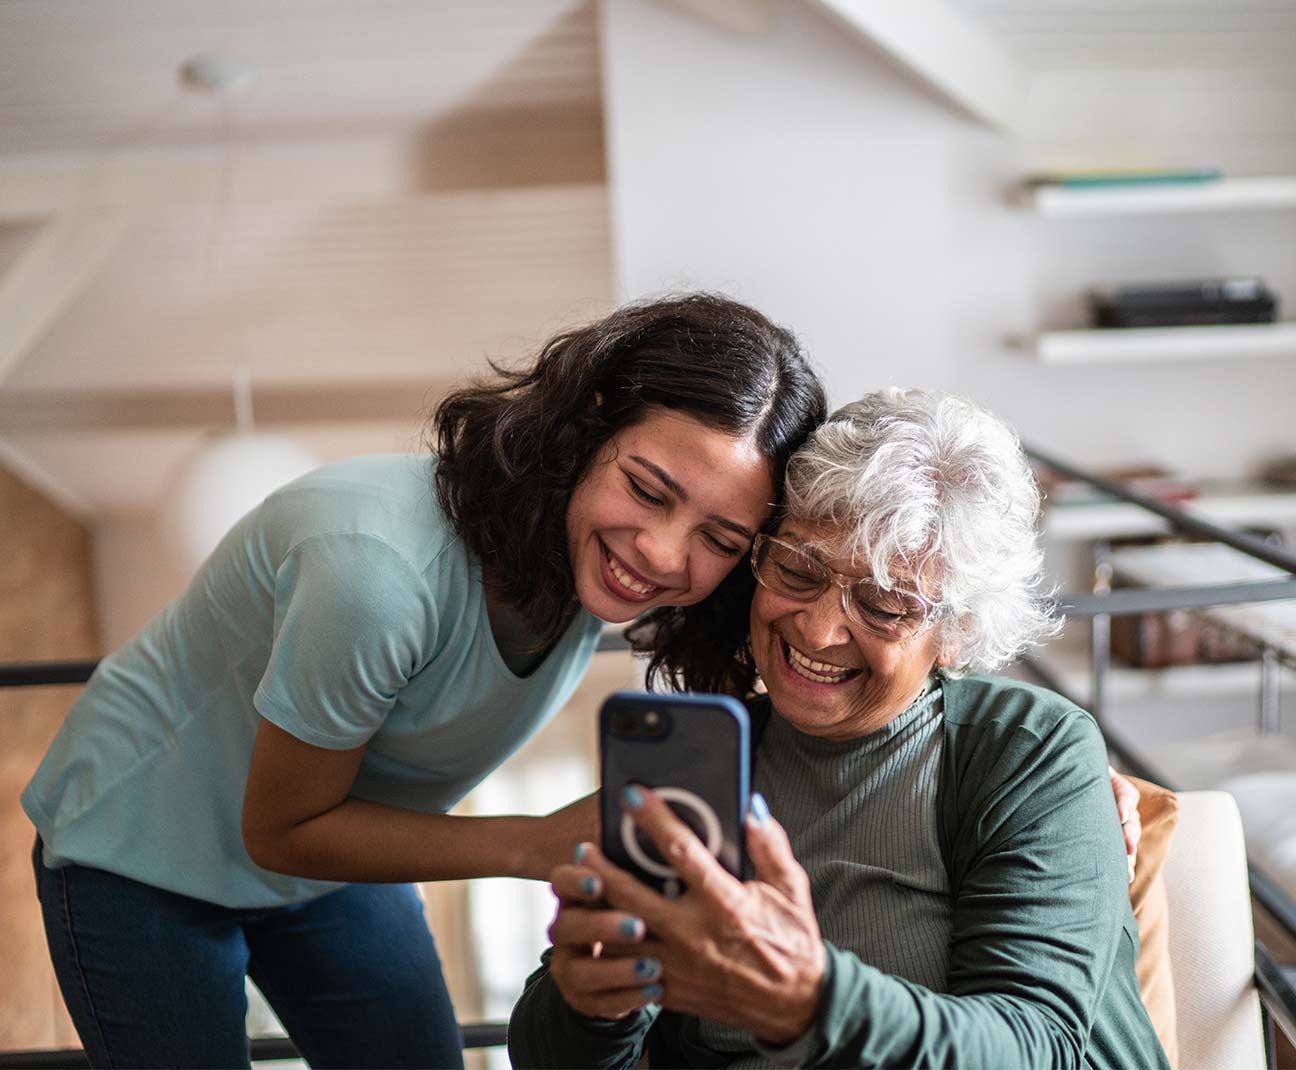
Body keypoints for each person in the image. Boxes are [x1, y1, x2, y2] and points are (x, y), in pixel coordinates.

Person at [22, 293, 828, 1070]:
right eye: (649, 491)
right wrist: (537, 843)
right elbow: (281, 829)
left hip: (331, 846)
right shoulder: (377, 573)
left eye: (718, 538)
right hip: (144, 847)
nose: (661, 554)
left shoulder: (587, 558)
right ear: (587, 423)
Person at [510, 387, 1169, 1069]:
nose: (819, 630)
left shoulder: (1024, 750)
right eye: (798, 568)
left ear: (957, 631)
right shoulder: (706, 754)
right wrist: (593, 1004)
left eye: (885, 604)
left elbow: (1036, 1045)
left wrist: (812, 1000)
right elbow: (544, 1054)